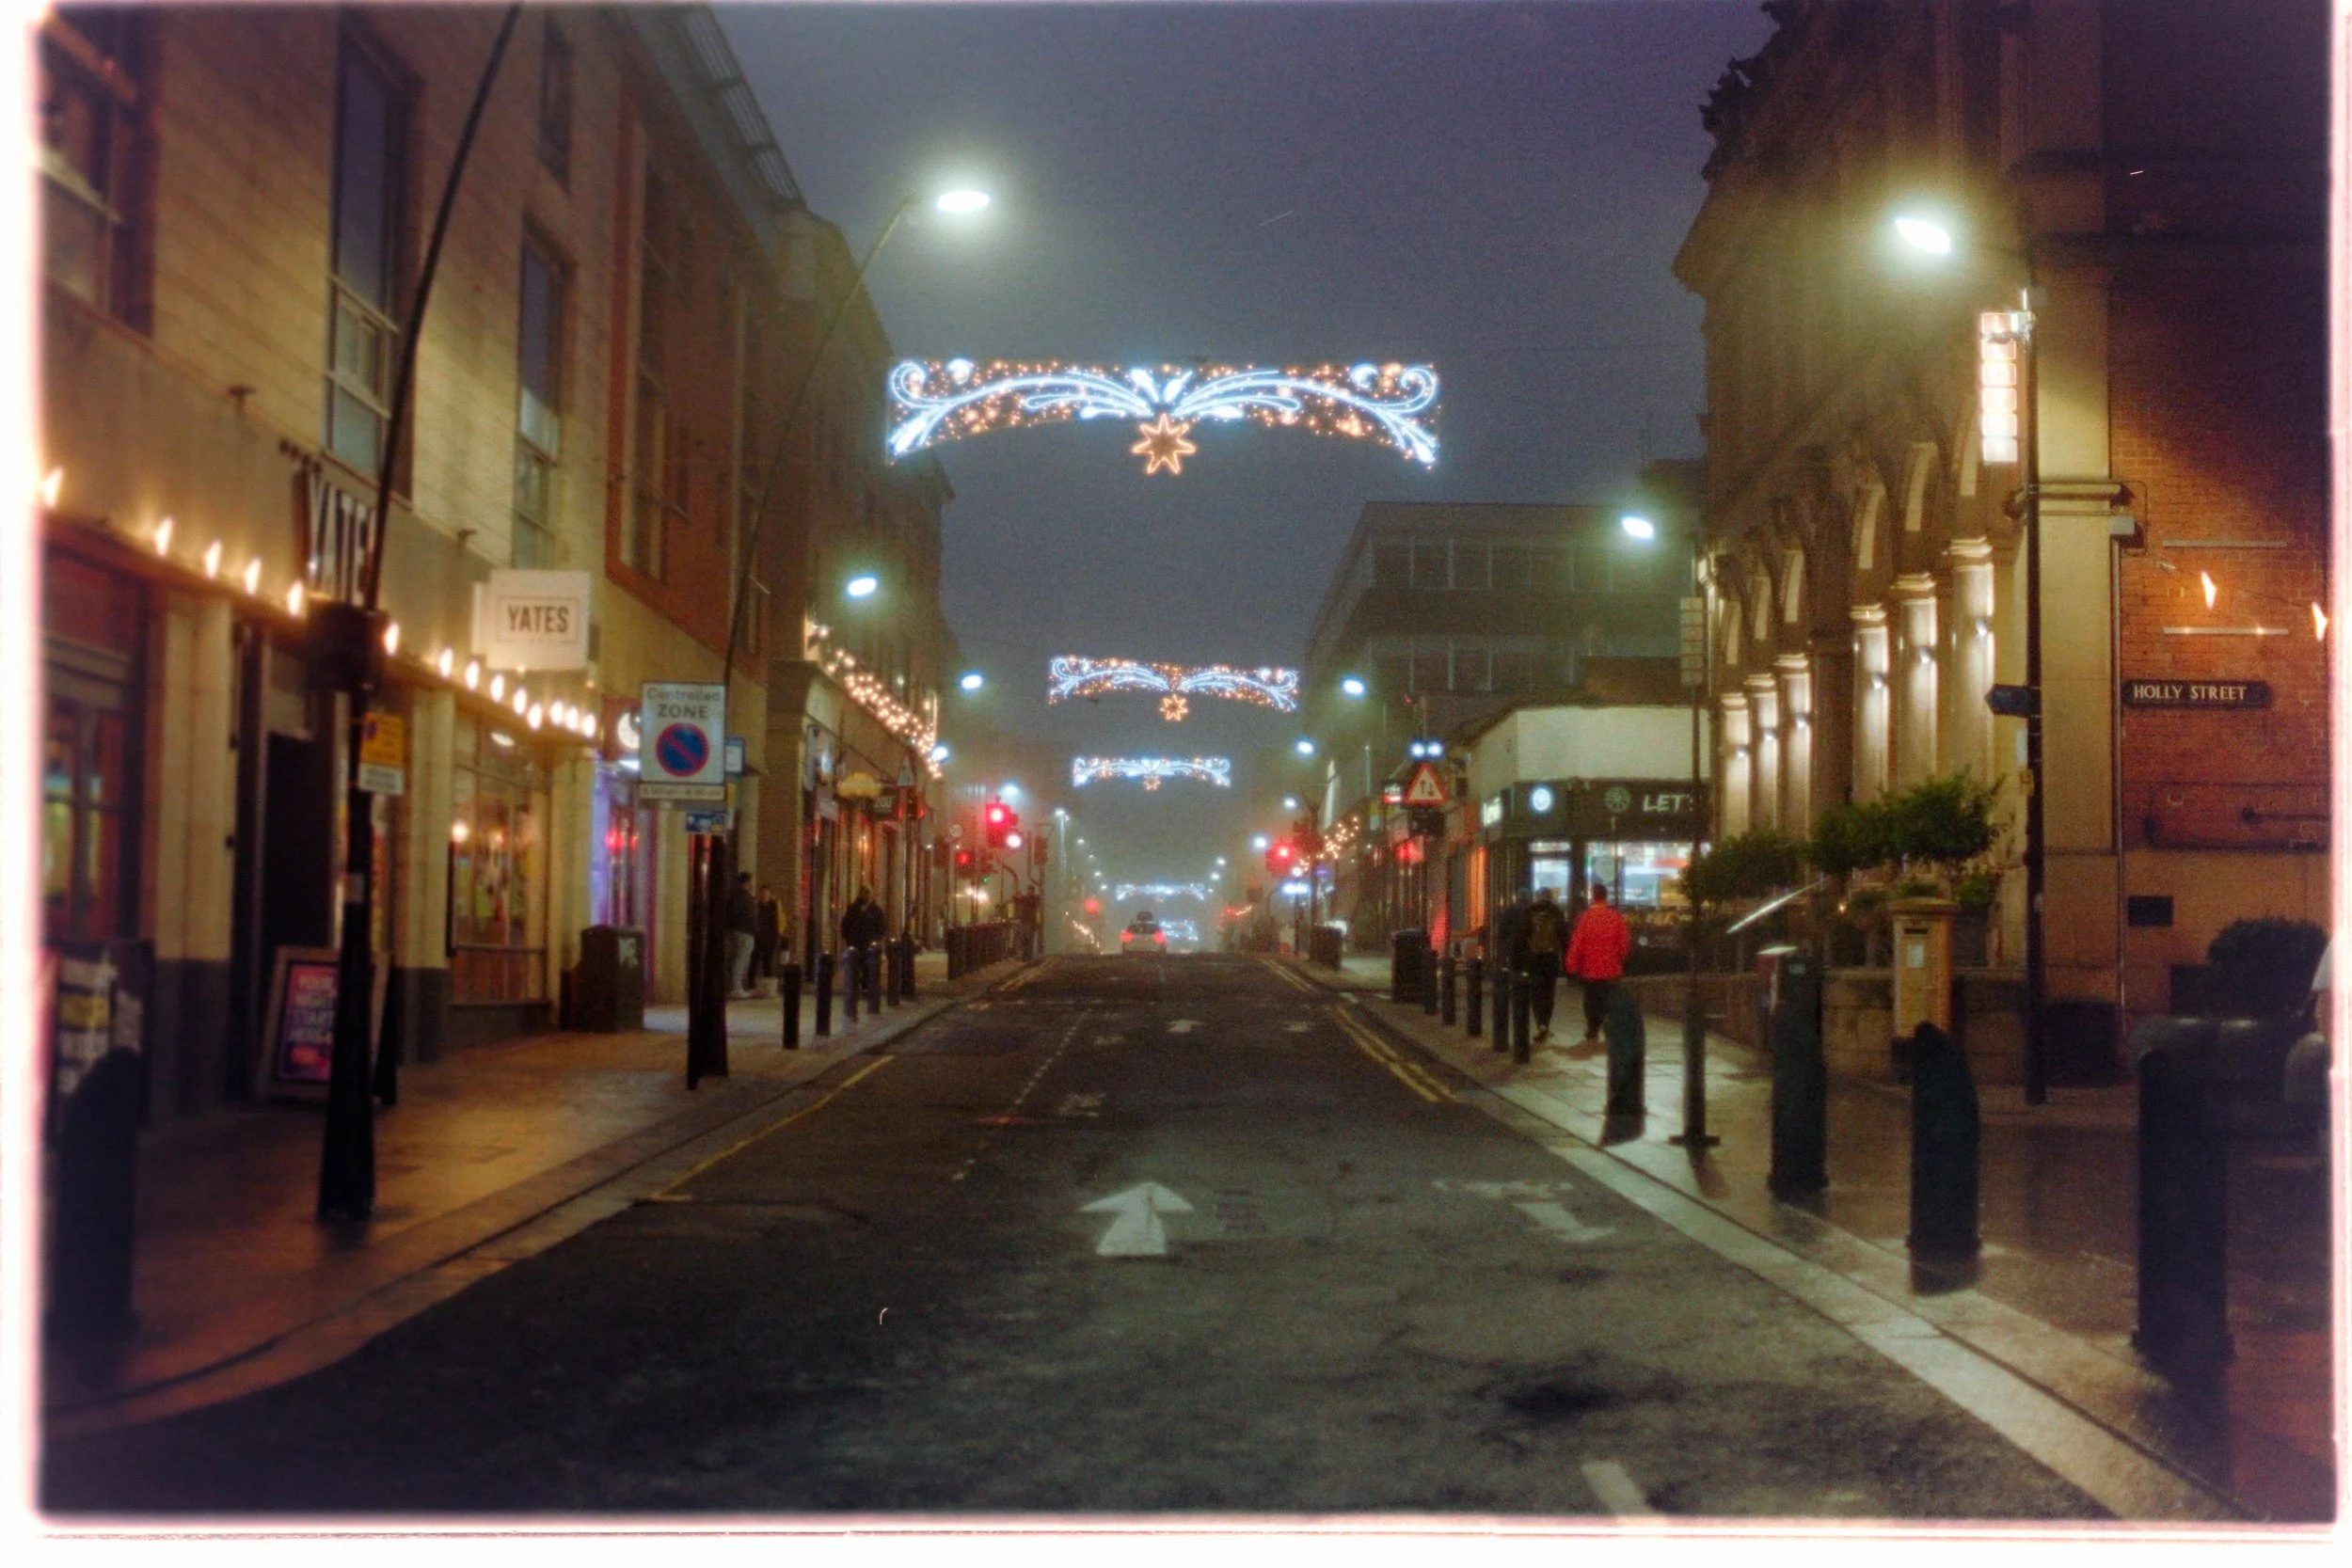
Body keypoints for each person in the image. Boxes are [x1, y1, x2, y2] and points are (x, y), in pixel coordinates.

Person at [1563, 881, 1632, 1044]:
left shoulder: (1585, 918)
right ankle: (1608, 1023)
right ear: (1606, 897)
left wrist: (1571, 965)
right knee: (1609, 998)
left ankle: (1593, 1027)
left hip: (1590, 969)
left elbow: (1577, 944)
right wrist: (1622, 957)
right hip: (1611, 968)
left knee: (1591, 999)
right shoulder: (1615, 917)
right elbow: (1623, 943)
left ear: (1592, 897)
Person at [1522, 887, 1566, 1043]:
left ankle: (1540, 1022)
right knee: (1549, 992)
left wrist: (1518, 960)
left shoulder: (1529, 911)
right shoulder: (1557, 912)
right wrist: (1566, 960)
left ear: (1537, 897)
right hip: (1551, 958)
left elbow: (1522, 936)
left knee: (1535, 992)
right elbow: (1564, 937)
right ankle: (1545, 1024)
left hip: (1534, 958)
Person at [840, 885, 887, 1008]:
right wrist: (848, 939)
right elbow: (845, 925)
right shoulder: (853, 908)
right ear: (860, 894)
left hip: (869, 946)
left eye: (868, 893)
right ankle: (855, 990)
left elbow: (881, 927)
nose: (866, 896)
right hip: (855, 945)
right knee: (855, 968)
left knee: (868, 969)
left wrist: (875, 940)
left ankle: (867, 990)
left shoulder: (875, 910)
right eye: (864, 893)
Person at [725, 871, 757, 998]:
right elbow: (741, 914)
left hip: (743, 931)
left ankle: (738, 987)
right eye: (750, 881)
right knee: (741, 959)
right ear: (747, 882)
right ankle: (736, 988)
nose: (752, 884)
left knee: (742, 959)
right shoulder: (742, 896)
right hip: (743, 931)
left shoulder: (739, 895)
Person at [753, 884, 782, 989]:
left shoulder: (773, 906)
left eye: (766, 893)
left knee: (767, 961)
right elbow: (753, 917)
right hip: (758, 937)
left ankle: (767, 985)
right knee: (754, 960)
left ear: (769, 894)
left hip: (770, 938)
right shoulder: (756, 905)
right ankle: (752, 984)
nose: (764, 895)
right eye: (762, 892)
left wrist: (777, 935)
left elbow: (779, 920)